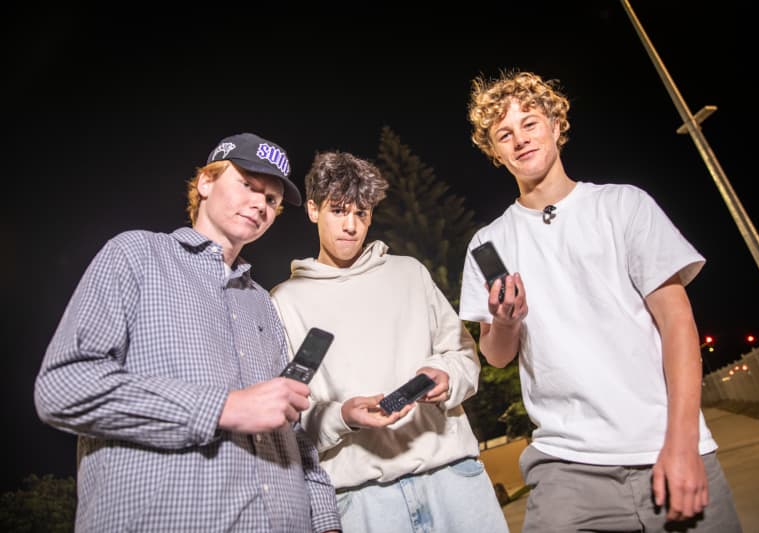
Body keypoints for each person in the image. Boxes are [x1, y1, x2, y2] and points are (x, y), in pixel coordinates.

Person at [458, 71, 742, 532]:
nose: (520, 140)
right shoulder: (488, 243)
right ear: (494, 151)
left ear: (554, 123)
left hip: (663, 444)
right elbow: (496, 355)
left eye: (530, 123)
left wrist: (683, 442)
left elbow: (677, 323)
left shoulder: (623, 206)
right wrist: (506, 321)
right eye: (504, 134)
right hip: (564, 465)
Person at [33, 132, 341, 533]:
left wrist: (325, 521)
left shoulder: (262, 301)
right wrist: (221, 408)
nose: (259, 204)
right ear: (206, 182)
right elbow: (62, 387)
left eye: (271, 200)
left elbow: (292, 428)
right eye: (247, 185)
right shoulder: (136, 255)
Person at [270, 150, 509, 533]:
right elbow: (289, 417)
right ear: (313, 210)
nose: (351, 225)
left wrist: (446, 375)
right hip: (362, 501)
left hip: (454, 479)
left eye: (361, 213)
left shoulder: (409, 273)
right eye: (339, 210)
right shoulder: (284, 301)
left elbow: (464, 356)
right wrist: (343, 415)